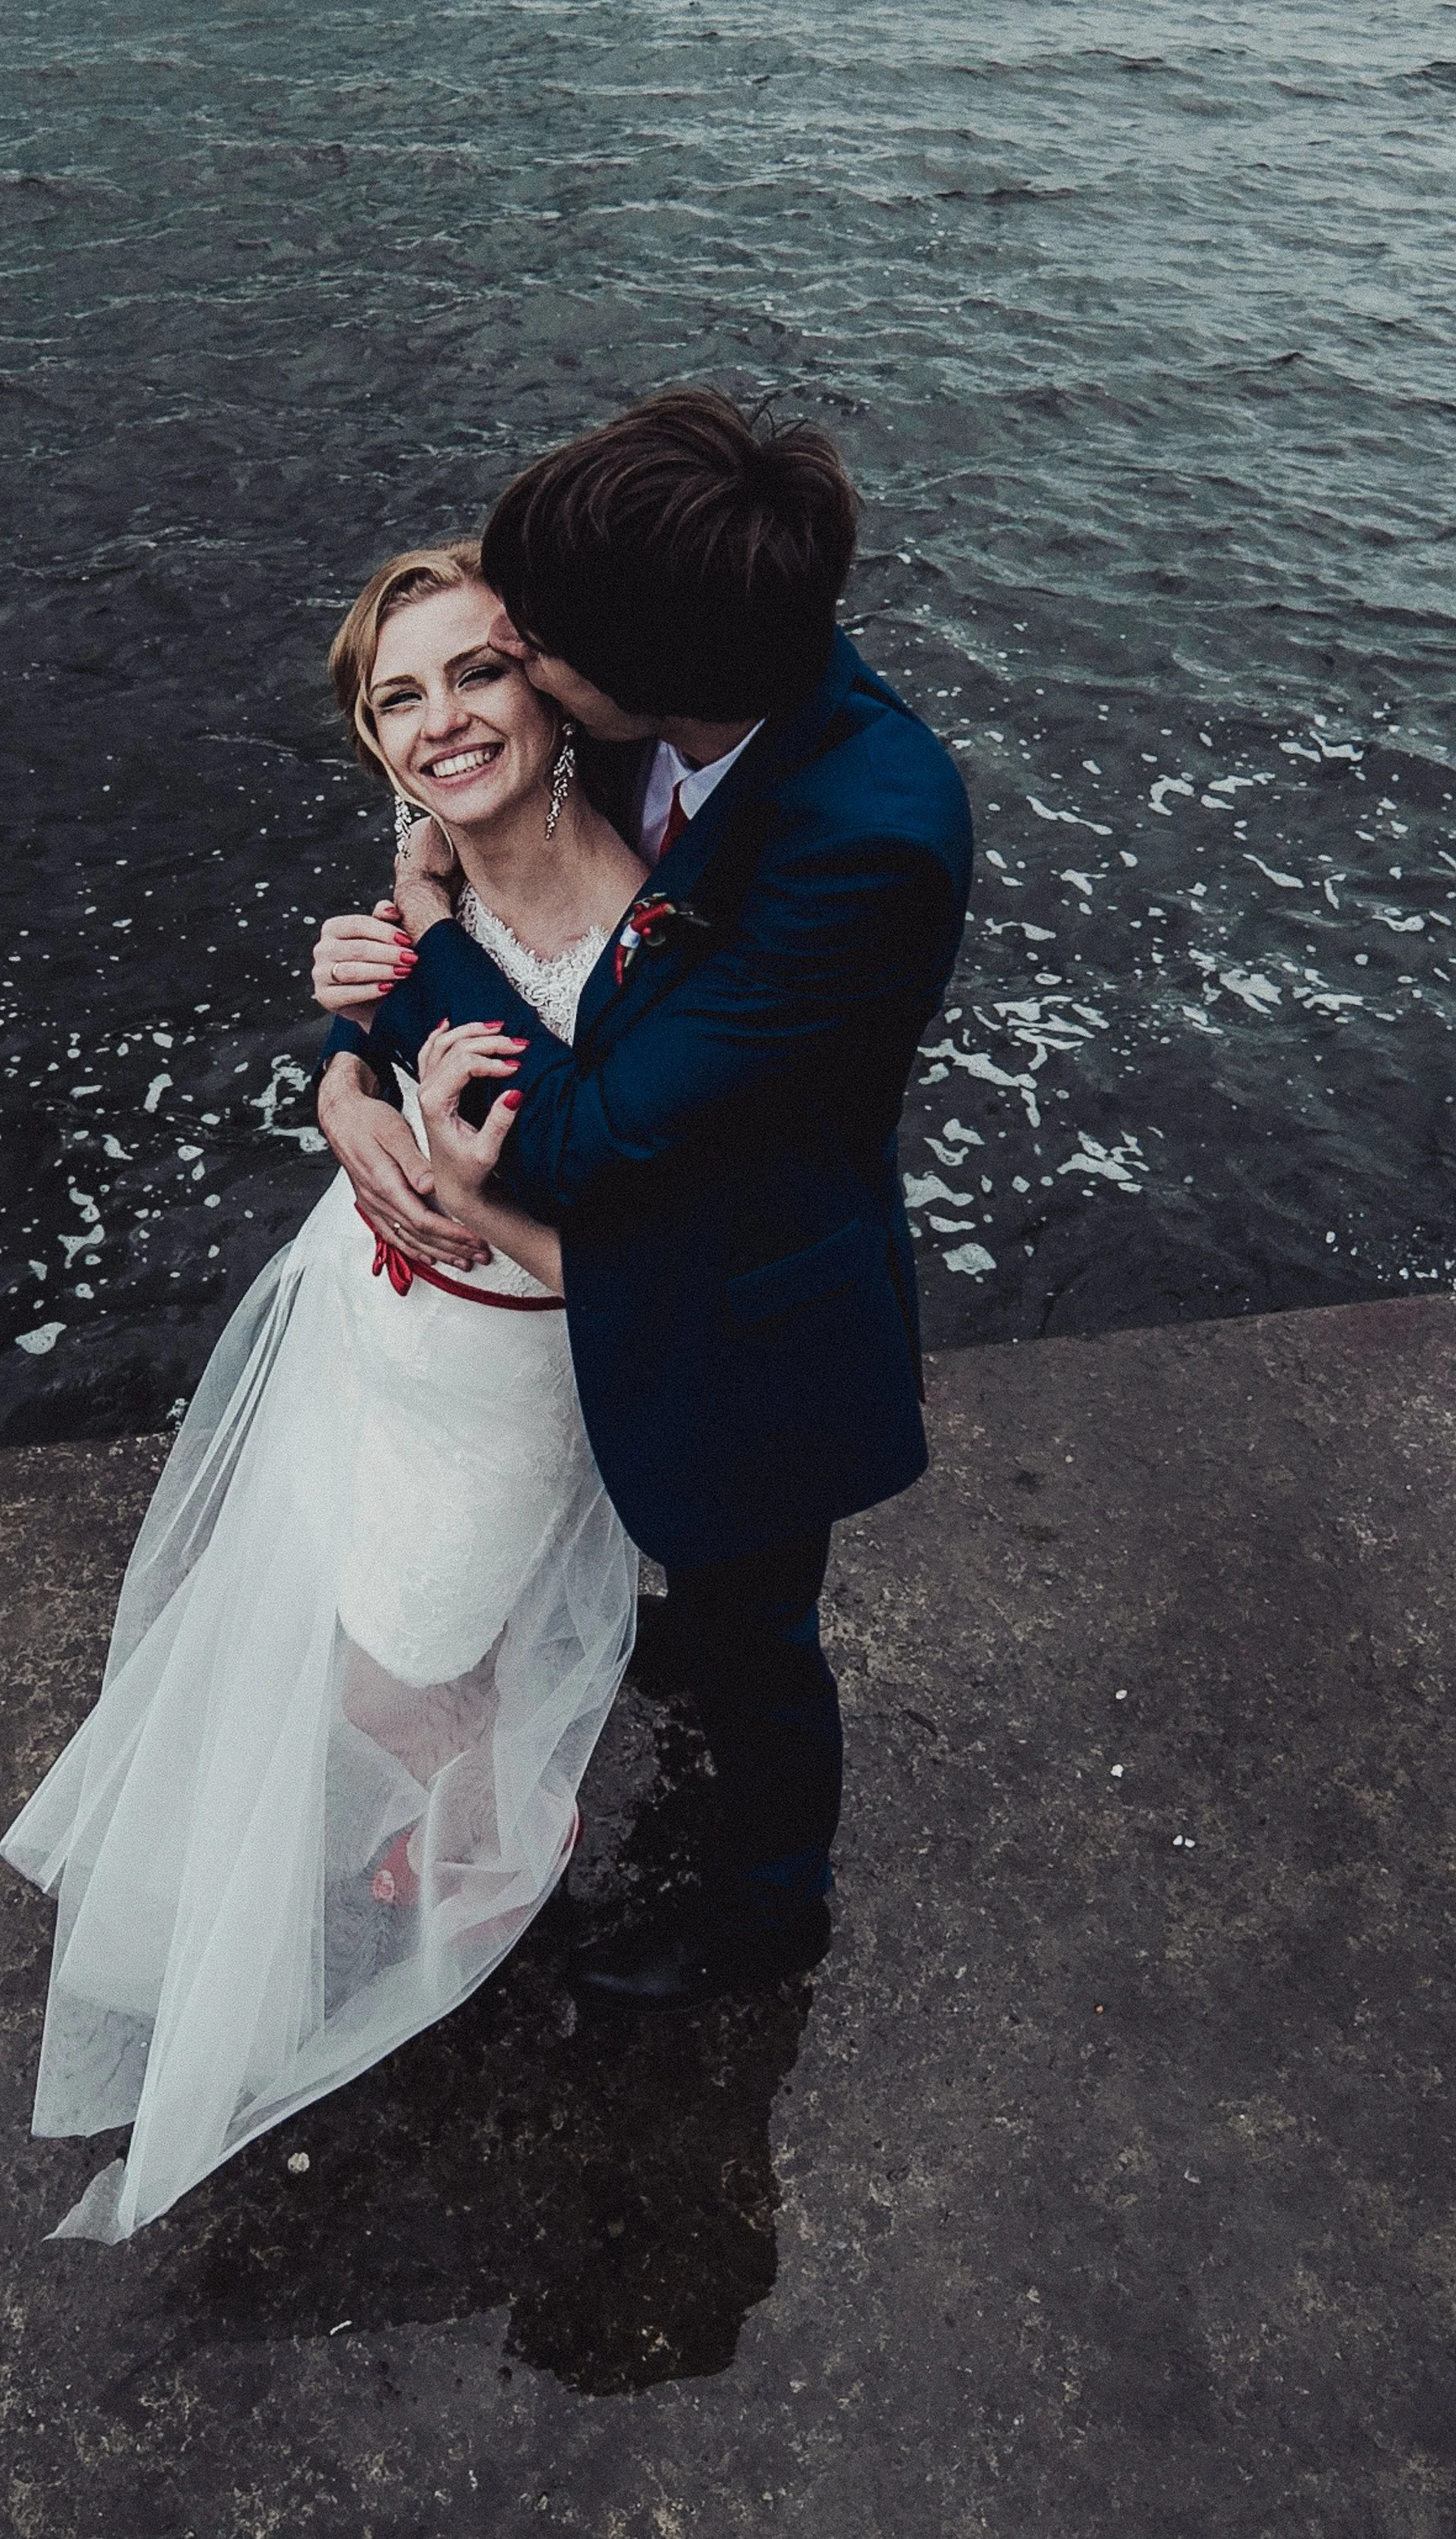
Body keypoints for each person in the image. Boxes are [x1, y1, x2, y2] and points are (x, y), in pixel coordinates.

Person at [2, 544, 648, 2242]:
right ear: (371, 740)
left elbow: (633, 1251)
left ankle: (495, 1818)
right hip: (364, 1312)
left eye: (476, 674)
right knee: (331, 1574)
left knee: (385, 1664)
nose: (444, 720)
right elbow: (373, 1044)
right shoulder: (424, 853)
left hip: (498, 1371)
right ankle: (470, 1783)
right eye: (399, 697)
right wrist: (339, 1091)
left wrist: (436, 1117)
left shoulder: (639, 923)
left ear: (547, 686)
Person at [313, 388, 973, 2013]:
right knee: (668, 1560)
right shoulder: (645, 687)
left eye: (529, 643)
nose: (511, 656)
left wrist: (404, 983)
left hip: (746, 1270)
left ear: (643, 681)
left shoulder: (864, 835)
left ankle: (765, 1918)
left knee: (758, 1635)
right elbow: (485, 849)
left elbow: (587, 1134)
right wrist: (341, 1080)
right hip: (614, 1218)